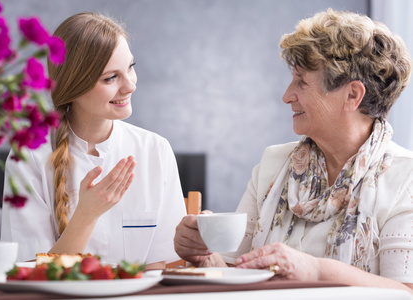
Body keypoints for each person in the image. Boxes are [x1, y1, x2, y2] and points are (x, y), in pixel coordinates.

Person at [174, 9, 413, 292]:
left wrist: (316, 270)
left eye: (301, 81)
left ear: (352, 95)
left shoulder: (405, 179)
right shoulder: (273, 165)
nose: (287, 95)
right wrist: (203, 255)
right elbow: (233, 273)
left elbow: (406, 291)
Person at [1, 12, 186, 269]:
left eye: (130, 68)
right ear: (74, 86)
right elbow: (29, 274)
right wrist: (86, 215)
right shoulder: (29, 156)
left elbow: (167, 265)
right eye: (111, 78)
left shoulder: (155, 150)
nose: (130, 85)